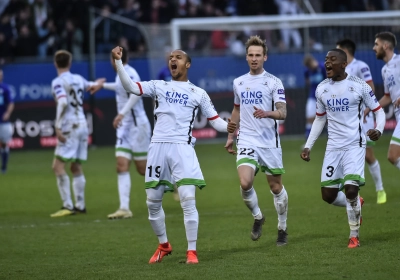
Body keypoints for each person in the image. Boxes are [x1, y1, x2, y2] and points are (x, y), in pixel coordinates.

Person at [111, 46, 237, 264]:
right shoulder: (159, 86)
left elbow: (215, 120)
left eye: (178, 57)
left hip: (182, 148)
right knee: (152, 202)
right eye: (170, 57)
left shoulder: (198, 93)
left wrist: (229, 127)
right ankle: (164, 245)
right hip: (157, 147)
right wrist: (119, 62)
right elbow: (131, 87)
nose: (173, 59)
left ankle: (192, 252)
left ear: (187, 64)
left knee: (188, 200)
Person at [300, 48, 386, 248]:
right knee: (328, 195)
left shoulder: (359, 86)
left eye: (332, 59)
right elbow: (320, 119)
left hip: (354, 145)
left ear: (343, 63)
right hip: (333, 148)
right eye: (326, 59)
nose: (327, 63)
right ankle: (357, 202)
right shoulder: (322, 88)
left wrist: (379, 129)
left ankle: (354, 235)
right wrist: (308, 145)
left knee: (350, 189)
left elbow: (378, 111)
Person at [224, 35, 289, 246]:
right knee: (245, 182)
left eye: (258, 55)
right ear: (246, 57)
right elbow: (236, 109)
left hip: (269, 141)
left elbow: (283, 112)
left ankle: (282, 228)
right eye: (251, 55)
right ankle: (258, 217)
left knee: (276, 187)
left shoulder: (274, 82)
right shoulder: (238, 82)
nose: (254, 59)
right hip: (247, 140)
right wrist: (230, 136)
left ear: (265, 57)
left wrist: (267, 113)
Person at [91, 51, 151, 219]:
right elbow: (120, 88)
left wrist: (122, 113)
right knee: (121, 165)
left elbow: (136, 93)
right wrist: (102, 85)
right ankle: (124, 208)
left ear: (114, 59)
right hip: (125, 127)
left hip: (138, 126)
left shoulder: (130, 72)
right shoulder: (121, 74)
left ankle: (171, 181)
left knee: (142, 169)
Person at [50, 50, 105, 218]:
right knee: (76, 166)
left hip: (69, 126)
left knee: (58, 166)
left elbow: (63, 101)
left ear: (55, 63)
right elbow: (92, 86)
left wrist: (57, 126)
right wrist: (99, 83)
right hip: (83, 125)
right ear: (70, 63)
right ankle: (80, 205)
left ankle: (68, 205)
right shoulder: (79, 79)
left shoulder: (58, 82)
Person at [336, 38, 386, 204]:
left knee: (368, 155)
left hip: (363, 117)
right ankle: (353, 194)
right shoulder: (340, 69)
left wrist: (366, 108)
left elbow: (370, 87)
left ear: (345, 50)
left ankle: (380, 189)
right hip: (347, 120)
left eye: (338, 50)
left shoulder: (360, 66)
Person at [373, 32, 400, 175]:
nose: (373, 48)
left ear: (386, 45)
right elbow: (388, 97)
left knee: (393, 155)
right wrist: (370, 108)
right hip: (398, 116)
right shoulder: (384, 70)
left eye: (376, 44)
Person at [303, 54, 326, 139]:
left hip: (324, 97)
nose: (310, 67)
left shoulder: (322, 68)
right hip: (313, 96)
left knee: (327, 118)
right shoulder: (307, 71)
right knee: (309, 115)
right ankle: (308, 137)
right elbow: (307, 82)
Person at [0, 69, 14, 174]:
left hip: (3, 121)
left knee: (4, 143)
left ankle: (4, 166)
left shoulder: (5, 88)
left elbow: (11, 103)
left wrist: (7, 113)